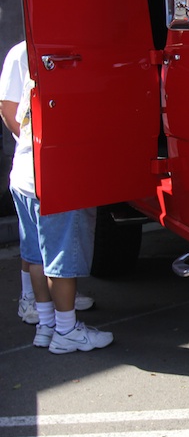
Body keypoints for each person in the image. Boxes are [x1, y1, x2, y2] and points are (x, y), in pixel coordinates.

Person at [0, 40, 112, 353]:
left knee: (35, 257)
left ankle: (47, 325)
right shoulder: (64, 78)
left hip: (22, 176)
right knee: (61, 259)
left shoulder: (33, 82)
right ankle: (67, 330)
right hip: (52, 178)